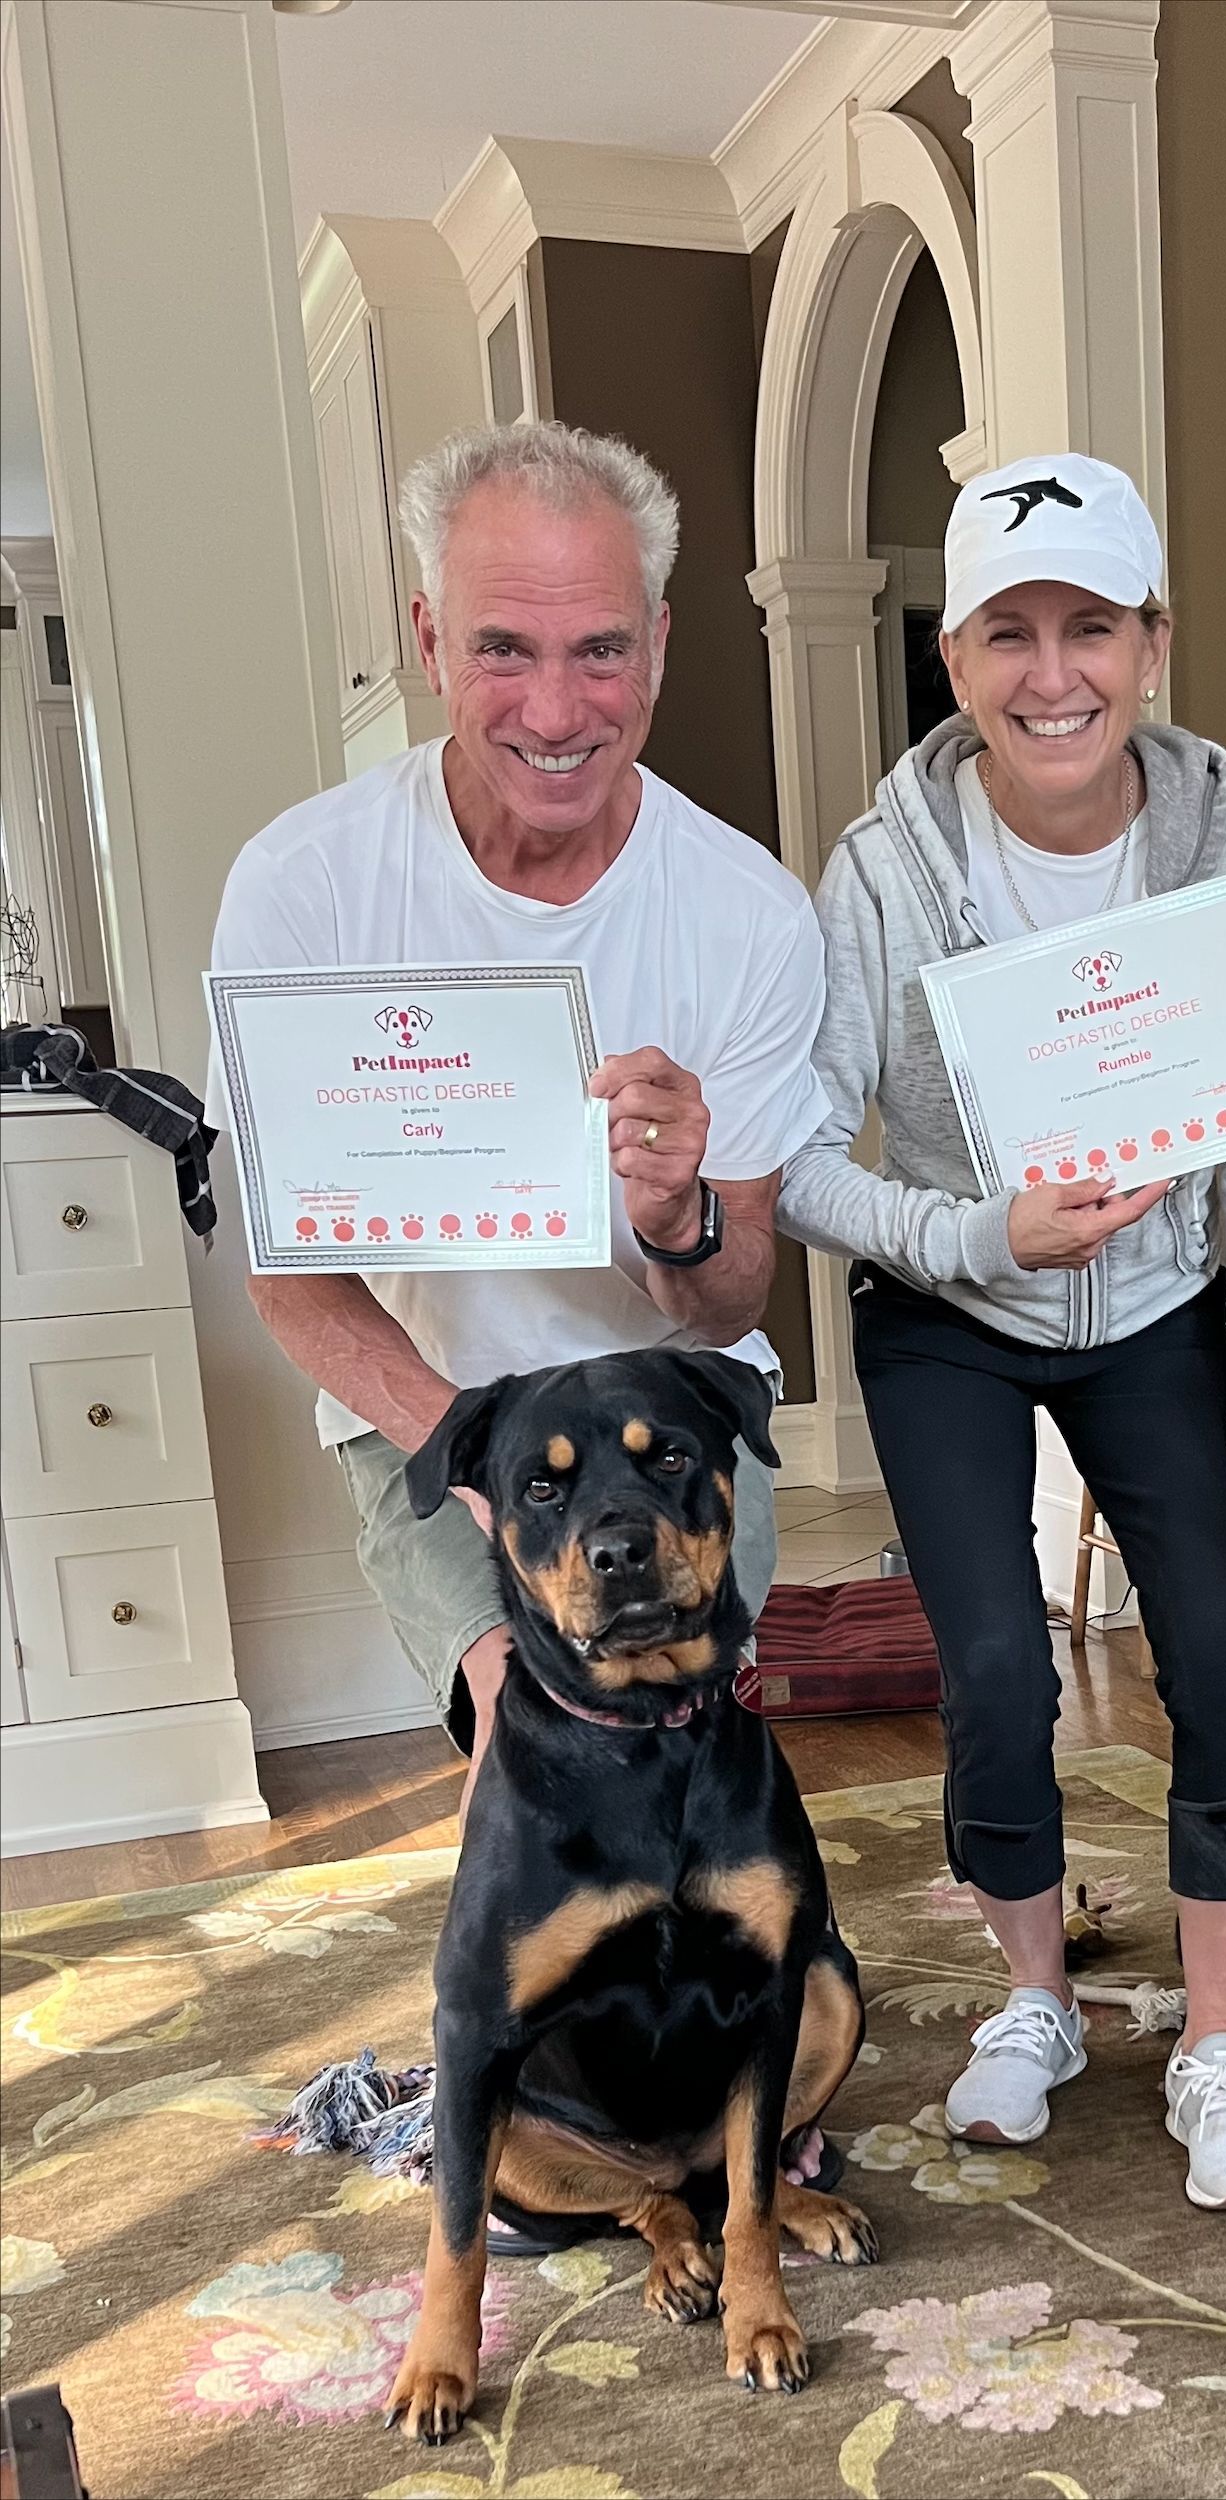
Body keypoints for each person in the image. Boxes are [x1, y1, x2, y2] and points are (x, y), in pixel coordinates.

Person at [778, 453, 1226, 2211]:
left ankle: (1216, 2042)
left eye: (1089, 625)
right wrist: (965, 1232)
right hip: (949, 1308)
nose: (1052, 672)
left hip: (1159, 1308)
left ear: (1153, 647)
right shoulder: (879, 870)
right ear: (954, 660)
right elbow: (791, 1153)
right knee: (998, 1670)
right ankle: (1036, 1999)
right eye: (1009, 633)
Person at [212, 420, 827, 1818]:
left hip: (669, 1401)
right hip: (425, 1409)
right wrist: (475, 1463)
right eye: (506, 648)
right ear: (430, 637)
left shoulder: (746, 916)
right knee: (536, 1752)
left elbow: (733, 1299)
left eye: (599, 649)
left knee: (679, 1752)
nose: (557, 712)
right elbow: (287, 1275)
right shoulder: (304, 889)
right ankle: (531, 2025)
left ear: (658, 645)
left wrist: (681, 1218)